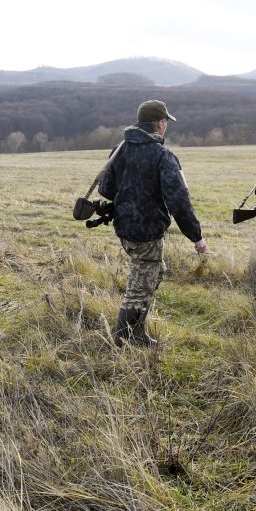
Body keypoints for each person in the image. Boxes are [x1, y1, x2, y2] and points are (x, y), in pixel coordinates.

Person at [98, 100, 208, 347]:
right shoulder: (162, 155)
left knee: (154, 273)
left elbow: (106, 189)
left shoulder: (119, 148)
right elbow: (179, 201)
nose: (165, 126)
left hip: (124, 229)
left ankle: (135, 334)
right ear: (159, 124)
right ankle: (125, 340)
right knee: (140, 286)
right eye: (165, 122)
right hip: (147, 233)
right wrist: (196, 237)